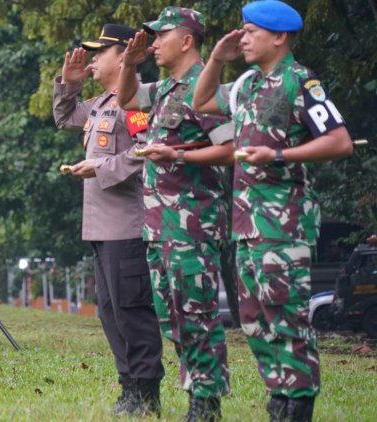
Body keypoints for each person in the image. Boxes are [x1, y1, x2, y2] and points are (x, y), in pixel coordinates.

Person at [192, 1, 354, 421]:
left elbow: (340, 142)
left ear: (279, 36)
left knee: (286, 317)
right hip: (246, 225)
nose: (242, 38)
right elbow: (203, 100)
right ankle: (278, 398)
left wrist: (278, 155)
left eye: (250, 31)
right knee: (253, 319)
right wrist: (214, 58)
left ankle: (297, 404)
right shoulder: (247, 84)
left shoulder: (300, 82)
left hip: (284, 226)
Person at [116, 6, 236, 421]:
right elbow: (127, 99)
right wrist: (129, 65)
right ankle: (196, 398)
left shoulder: (203, 88)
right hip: (160, 226)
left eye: (161, 35)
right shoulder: (167, 88)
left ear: (187, 40)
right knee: (174, 319)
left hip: (193, 227)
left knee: (197, 315)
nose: (154, 43)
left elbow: (230, 149)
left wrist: (179, 156)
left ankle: (206, 405)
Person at [52, 24, 165, 417]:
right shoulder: (101, 103)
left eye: (100, 53)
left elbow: (146, 150)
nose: (93, 59)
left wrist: (99, 168)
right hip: (100, 226)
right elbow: (66, 117)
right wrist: (67, 85)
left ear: (123, 54)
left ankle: (147, 392)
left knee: (132, 310)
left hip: (127, 225)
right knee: (110, 311)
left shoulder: (135, 102)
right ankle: (129, 386)